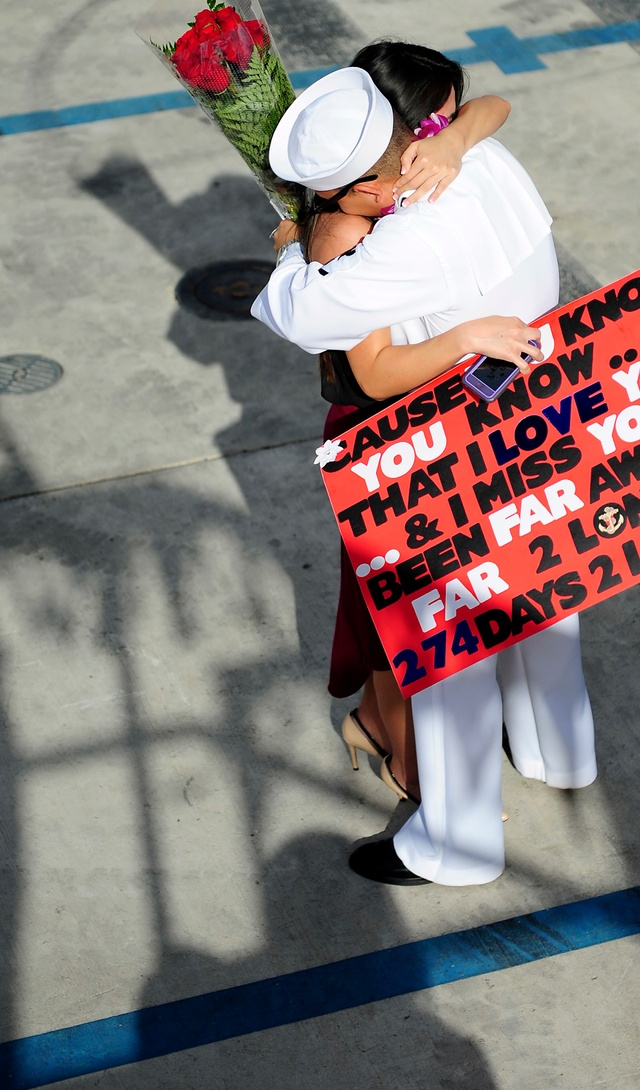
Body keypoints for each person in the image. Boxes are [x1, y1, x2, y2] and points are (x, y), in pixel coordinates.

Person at [254, 60, 597, 888]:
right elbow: (488, 110)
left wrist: (297, 253)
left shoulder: (400, 242)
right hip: (543, 409)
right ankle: (561, 753)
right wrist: (465, 131)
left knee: (451, 642)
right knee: (547, 586)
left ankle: (458, 846)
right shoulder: (479, 160)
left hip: (460, 441)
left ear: (367, 184)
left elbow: (299, 319)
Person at [299, 43, 513, 804]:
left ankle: (373, 724)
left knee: (404, 604)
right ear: (360, 180)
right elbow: (371, 373)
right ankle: (408, 763)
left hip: (412, 424)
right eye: (408, 156)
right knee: (402, 615)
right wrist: (466, 338)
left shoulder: (356, 197)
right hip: (380, 433)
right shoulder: (345, 241)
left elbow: (497, 108)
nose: (419, 169)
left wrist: (455, 138)